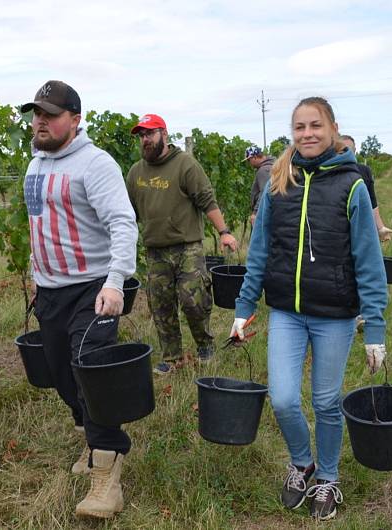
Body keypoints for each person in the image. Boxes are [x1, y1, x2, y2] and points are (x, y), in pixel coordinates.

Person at [230, 97, 388, 521]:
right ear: (292, 132)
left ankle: (329, 478)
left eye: (315, 125)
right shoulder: (279, 182)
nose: (307, 133)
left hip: (334, 314)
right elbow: (259, 249)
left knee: (325, 401)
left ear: (332, 127)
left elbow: (370, 262)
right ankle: (303, 462)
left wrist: (374, 328)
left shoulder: (352, 184)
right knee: (282, 398)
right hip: (286, 311)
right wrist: (244, 305)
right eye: (299, 127)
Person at [21, 80, 138, 519]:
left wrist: (115, 282)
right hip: (51, 290)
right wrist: (37, 276)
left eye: (50, 114)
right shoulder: (35, 165)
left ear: (75, 119)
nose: (41, 121)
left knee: (91, 373)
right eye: (37, 114)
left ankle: (107, 477)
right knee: (62, 375)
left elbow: (123, 224)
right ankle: (92, 442)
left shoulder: (95, 164)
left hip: (92, 288)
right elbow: (40, 227)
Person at [126, 113, 237, 375]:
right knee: (161, 304)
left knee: (192, 299)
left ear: (164, 134)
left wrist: (224, 232)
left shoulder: (185, 164)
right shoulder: (135, 172)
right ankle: (172, 357)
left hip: (187, 246)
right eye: (141, 136)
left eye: (150, 134)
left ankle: (204, 344)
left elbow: (206, 199)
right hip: (155, 250)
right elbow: (128, 212)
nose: (145, 140)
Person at [339, 134, 392, 241]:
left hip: (361, 229)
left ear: (354, 151)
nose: (346, 153)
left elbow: (372, 202)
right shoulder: (326, 173)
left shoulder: (364, 171)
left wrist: (380, 227)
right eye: (342, 150)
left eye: (349, 150)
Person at [242, 145, 275, 226]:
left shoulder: (263, 170)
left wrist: (255, 212)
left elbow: (264, 192)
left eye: (249, 160)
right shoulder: (272, 166)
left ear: (255, 157)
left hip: (264, 212)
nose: (249, 163)